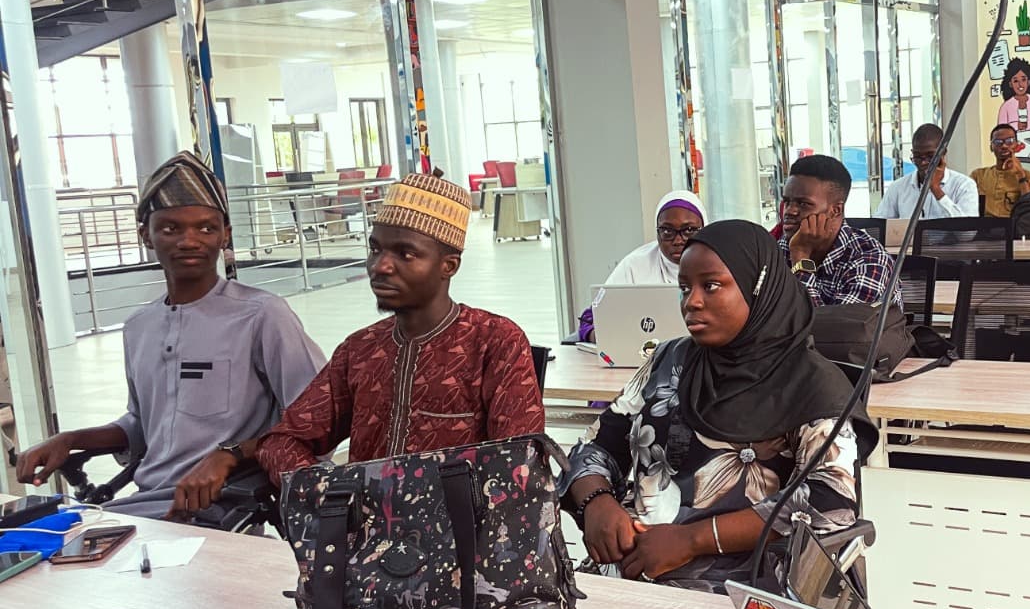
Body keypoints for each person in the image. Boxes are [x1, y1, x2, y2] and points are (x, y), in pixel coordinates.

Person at [561, 220, 875, 591]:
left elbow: (829, 500)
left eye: (711, 286)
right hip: (635, 567)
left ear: (758, 289)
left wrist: (691, 540)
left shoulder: (811, 383)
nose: (691, 302)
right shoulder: (670, 360)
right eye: (684, 288)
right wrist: (596, 501)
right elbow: (597, 446)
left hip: (747, 585)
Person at [16, 153, 325, 519]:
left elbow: (316, 418)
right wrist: (70, 440)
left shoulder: (262, 315)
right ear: (145, 234)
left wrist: (231, 455)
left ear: (226, 234)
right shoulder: (139, 326)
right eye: (171, 229)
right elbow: (143, 424)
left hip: (218, 507)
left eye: (206, 228)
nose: (190, 241)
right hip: (141, 506)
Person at [258, 173, 544, 484]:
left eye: (405, 254)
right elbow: (284, 440)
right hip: (367, 529)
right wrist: (325, 492)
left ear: (449, 266)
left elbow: (519, 465)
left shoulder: (494, 342)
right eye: (376, 250)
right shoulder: (360, 349)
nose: (380, 266)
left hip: (466, 531)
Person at [577, 190, 706, 342]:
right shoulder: (635, 265)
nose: (678, 240)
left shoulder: (719, 263)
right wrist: (608, 343)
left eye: (689, 230)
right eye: (667, 231)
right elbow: (590, 319)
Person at [777, 154, 897, 306]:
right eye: (787, 202)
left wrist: (800, 258)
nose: (790, 211)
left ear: (835, 210)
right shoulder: (780, 248)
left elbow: (831, 328)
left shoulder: (869, 261)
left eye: (803, 204)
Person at [876, 123, 978, 219]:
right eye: (917, 156)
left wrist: (936, 190)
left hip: (948, 239)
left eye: (930, 156)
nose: (923, 162)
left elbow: (967, 234)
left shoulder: (964, 185)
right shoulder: (898, 188)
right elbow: (879, 228)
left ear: (943, 153)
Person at [971, 123, 1030, 218]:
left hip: (1013, 229)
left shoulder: (1028, 176)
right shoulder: (978, 175)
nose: (1004, 146)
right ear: (991, 147)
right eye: (998, 142)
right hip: (984, 229)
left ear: (1017, 145)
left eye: (1010, 141)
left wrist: (1020, 176)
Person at [997, 57, 1030, 129]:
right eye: (1016, 81)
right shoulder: (1005, 107)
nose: (1020, 84)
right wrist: (1015, 125)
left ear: (1028, 82)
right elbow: (1000, 130)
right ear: (1010, 84)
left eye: (1023, 80)